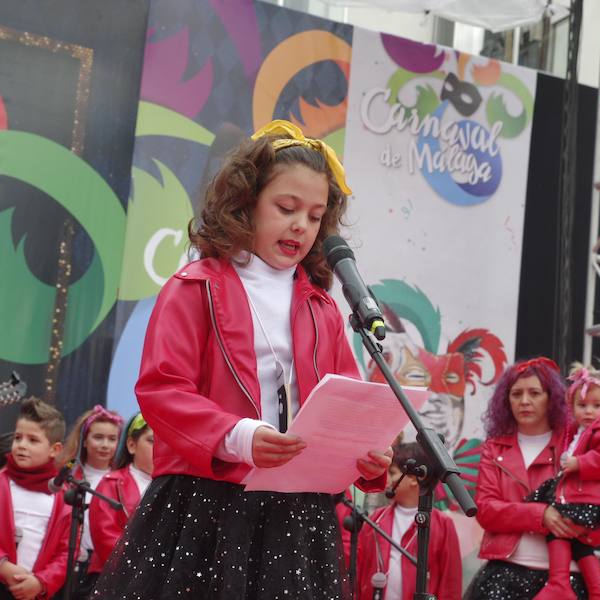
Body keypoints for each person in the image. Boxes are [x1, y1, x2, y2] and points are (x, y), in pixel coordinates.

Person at [91, 119, 391, 599]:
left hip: (299, 514)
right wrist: (237, 435)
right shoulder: (195, 287)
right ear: (246, 204)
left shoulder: (324, 307)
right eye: (286, 207)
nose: (300, 225)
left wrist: (368, 456)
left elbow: (346, 404)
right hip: (206, 505)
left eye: (315, 217)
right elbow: (161, 389)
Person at [465, 357, 589, 599]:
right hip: (504, 573)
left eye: (534, 393)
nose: (524, 401)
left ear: (551, 398)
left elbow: (595, 503)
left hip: (566, 577)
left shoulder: (573, 444)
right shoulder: (494, 448)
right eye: (516, 394)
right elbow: (486, 510)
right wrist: (540, 515)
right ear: (506, 400)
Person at [527, 363, 600, 600]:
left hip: (592, 501)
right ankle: (598, 591)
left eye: (597, 406)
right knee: (578, 543)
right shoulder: (579, 432)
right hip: (582, 497)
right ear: (572, 408)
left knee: (558, 532)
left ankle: (559, 582)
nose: (589, 411)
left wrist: (580, 463)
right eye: (582, 405)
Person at [0, 398, 71, 599]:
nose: (21, 445)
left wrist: (41, 582)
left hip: (35, 592)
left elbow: (66, 553)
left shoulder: (65, 497)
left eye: (33, 440)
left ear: (54, 450)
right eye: (18, 437)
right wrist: (3, 566)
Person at [355, 442, 462, 600]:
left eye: (392, 472)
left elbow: (450, 585)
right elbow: (358, 569)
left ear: (413, 478)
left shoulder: (443, 525)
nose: (387, 478)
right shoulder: (375, 518)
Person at [60, 405, 123, 596]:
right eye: (98, 437)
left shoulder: (121, 482)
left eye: (112, 439)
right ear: (84, 441)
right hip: (68, 565)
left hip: (103, 569)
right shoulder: (67, 478)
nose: (105, 445)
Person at [87, 413, 153, 580]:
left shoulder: (174, 488)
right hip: (113, 579)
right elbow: (105, 537)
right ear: (131, 445)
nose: (160, 448)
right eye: (152, 441)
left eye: (167, 443)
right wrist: (144, 569)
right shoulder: (112, 483)